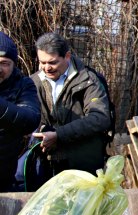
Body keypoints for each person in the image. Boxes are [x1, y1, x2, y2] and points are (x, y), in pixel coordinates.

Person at [30, 32, 112, 176]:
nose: (46, 68)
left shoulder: (88, 80)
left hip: (82, 165)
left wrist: (58, 135)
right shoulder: (33, 82)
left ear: (67, 56)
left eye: (52, 62)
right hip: (45, 165)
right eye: (42, 62)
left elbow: (100, 118)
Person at [0, 31, 41, 192]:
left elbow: (31, 118)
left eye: (4, 63)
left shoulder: (23, 85)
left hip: (3, 173)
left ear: (14, 64)